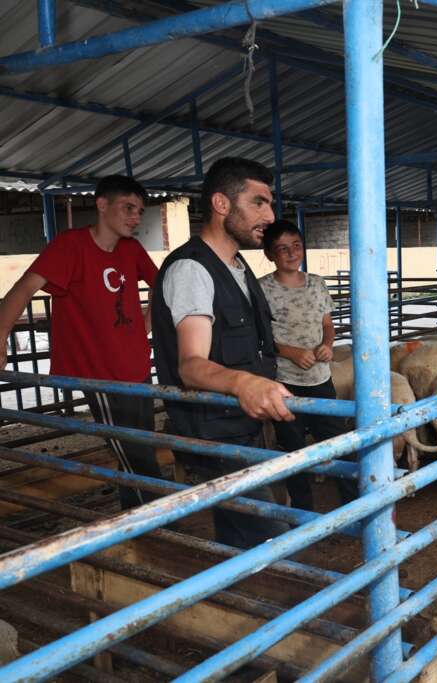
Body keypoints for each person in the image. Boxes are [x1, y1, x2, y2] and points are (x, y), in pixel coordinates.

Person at [149, 157, 292, 548]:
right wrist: (244, 383)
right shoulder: (193, 269)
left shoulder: (238, 266)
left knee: (241, 534)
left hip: (243, 425)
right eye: (259, 203)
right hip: (215, 432)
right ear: (222, 204)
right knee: (273, 538)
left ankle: (243, 599)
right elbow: (191, 365)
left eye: (270, 203)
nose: (270, 214)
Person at [0, 175, 163, 510]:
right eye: (128, 208)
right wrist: (0, 338)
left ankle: (137, 520)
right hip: (101, 373)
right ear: (102, 205)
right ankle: (164, 523)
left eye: (140, 211)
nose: (135, 217)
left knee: (139, 449)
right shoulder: (70, 245)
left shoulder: (131, 249)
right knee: (136, 456)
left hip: (137, 366)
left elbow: (165, 285)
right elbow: (23, 288)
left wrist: (145, 325)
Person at [258, 220, 358, 507]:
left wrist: (327, 344)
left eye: (296, 246)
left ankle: (354, 506)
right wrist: (289, 351)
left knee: (339, 443)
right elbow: (260, 336)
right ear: (270, 254)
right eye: (282, 249)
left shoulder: (317, 282)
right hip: (284, 383)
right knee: (294, 451)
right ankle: (303, 512)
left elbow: (327, 323)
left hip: (321, 379)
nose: (291, 253)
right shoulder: (262, 289)